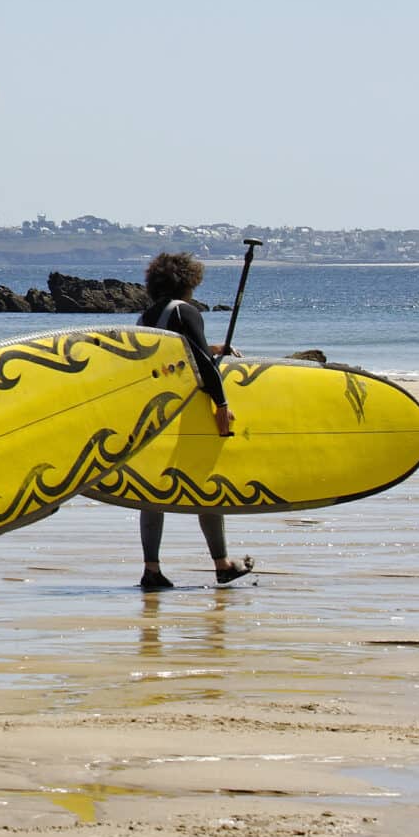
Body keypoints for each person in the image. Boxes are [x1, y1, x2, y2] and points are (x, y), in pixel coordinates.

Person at [135, 252, 255, 589]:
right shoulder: (184, 310)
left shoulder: (148, 316)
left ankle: (152, 569)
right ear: (188, 280)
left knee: (152, 492)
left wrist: (215, 347)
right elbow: (201, 364)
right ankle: (221, 564)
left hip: (155, 410)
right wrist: (221, 403)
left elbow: (172, 358)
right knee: (206, 482)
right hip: (188, 410)